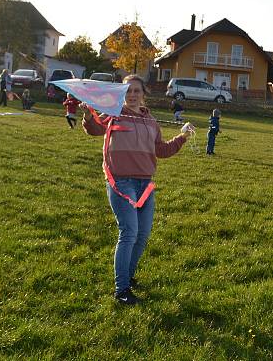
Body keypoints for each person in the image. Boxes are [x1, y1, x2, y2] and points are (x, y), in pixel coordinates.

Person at [81, 74, 191, 305]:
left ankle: (128, 277)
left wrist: (182, 137)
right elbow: (94, 129)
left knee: (142, 236)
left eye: (137, 91)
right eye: (128, 91)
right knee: (129, 233)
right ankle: (121, 291)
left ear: (143, 94)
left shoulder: (150, 121)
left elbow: (161, 150)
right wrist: (87, 116)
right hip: (122, 183)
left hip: (145, 184)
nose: (132, 95)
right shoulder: (112, 114)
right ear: (121, 94)